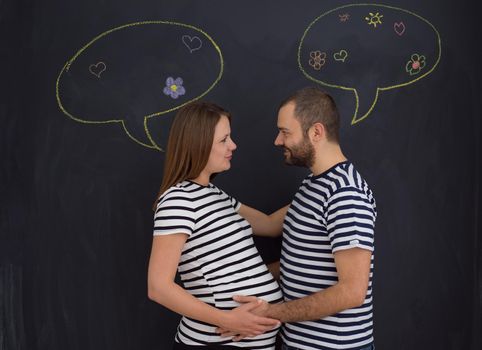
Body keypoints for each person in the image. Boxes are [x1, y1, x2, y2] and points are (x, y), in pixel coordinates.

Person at [220, 87, 377, 350]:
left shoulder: (346, 194)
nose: (278, 141)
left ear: (316, 132)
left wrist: (270, 312)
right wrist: (203, 195)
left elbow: (352, 292)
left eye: (285, 132)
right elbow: (271, 226)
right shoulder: (314, 185)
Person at [147, 101, 289, 350]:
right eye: (224, 140)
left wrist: (317, 189)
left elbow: (270, 225)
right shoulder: (177, 200)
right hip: (214, 342)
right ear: (199, 144)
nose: (233, 146)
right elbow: (158, 287)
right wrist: (228, 319)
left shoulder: (216, 194)